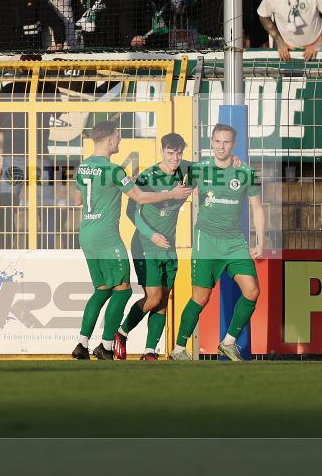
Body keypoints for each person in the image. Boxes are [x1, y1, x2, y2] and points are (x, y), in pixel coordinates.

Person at [72, 121, 192, 360]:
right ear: (108, 140)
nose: (119, 141)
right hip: (107, 237)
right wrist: (172, 194)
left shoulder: (83, 167)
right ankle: (106, 345)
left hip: (86, 233)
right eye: (117, 137)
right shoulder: (115, 171)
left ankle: (81, 344)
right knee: (124, 290)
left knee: (102, 289)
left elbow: (78, 200)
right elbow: (138, 197)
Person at [170, 124, 268, 362]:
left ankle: (228, 342)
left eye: (226, 142)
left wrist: (261, 239)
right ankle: (179, 348)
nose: (221, 146)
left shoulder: (245, 172)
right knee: (201, 298)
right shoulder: (199, 170)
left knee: (252, 291)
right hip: (207, 241)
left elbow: (257, 207)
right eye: (217, 141)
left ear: (233, 145)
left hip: (235, 242)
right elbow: (178, 194)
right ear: (211, 143)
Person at [114, 133, 192, 361]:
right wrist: (152, 234)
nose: (175, 158)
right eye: (170, 153)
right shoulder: (148, 176)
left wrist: (233, 162)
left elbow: (213, 166)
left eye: (179, 153)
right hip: (146, 244)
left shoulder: (187, 172)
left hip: (169, 246)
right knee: (153, 297)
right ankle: (121, 332)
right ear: (162, 152)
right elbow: (131, 210)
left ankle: (150, 350)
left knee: (163, 298)